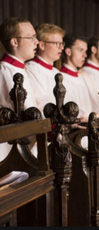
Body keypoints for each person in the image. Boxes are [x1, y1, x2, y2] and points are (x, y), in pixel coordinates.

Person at [0, 17, 38, 161]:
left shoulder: (20, 68)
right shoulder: (5, 71)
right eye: (31, 37)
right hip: (9, 152)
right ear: (14, 42)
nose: (37, 42)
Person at [60, 33, 99, 120]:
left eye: (85, 51)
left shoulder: (84, 78)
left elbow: (94, 106)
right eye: (80, 50)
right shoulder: (61, 79)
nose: (85, 55)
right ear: (68, 52)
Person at [25, 23, 65, 113]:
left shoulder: (56, 72)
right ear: (42, 45)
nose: (61, 47)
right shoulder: (30, 69)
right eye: (56, 43)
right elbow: (39, 104)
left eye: (62, 43)